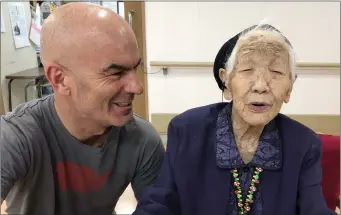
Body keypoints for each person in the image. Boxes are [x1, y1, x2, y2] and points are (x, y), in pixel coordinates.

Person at [133, 24, 337, 215]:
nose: (261, 86)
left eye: (276, 72)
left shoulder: (303, 143)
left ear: (289, 89)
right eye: (247, 70)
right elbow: (159, 202)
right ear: (227, 81)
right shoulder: (187, 130)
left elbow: (314, 210)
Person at [1, 3, 165, 215]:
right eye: (116, 73)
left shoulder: (143, 140)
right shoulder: (15, 137)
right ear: (60, 79)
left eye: (135, 68)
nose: (137, 87)